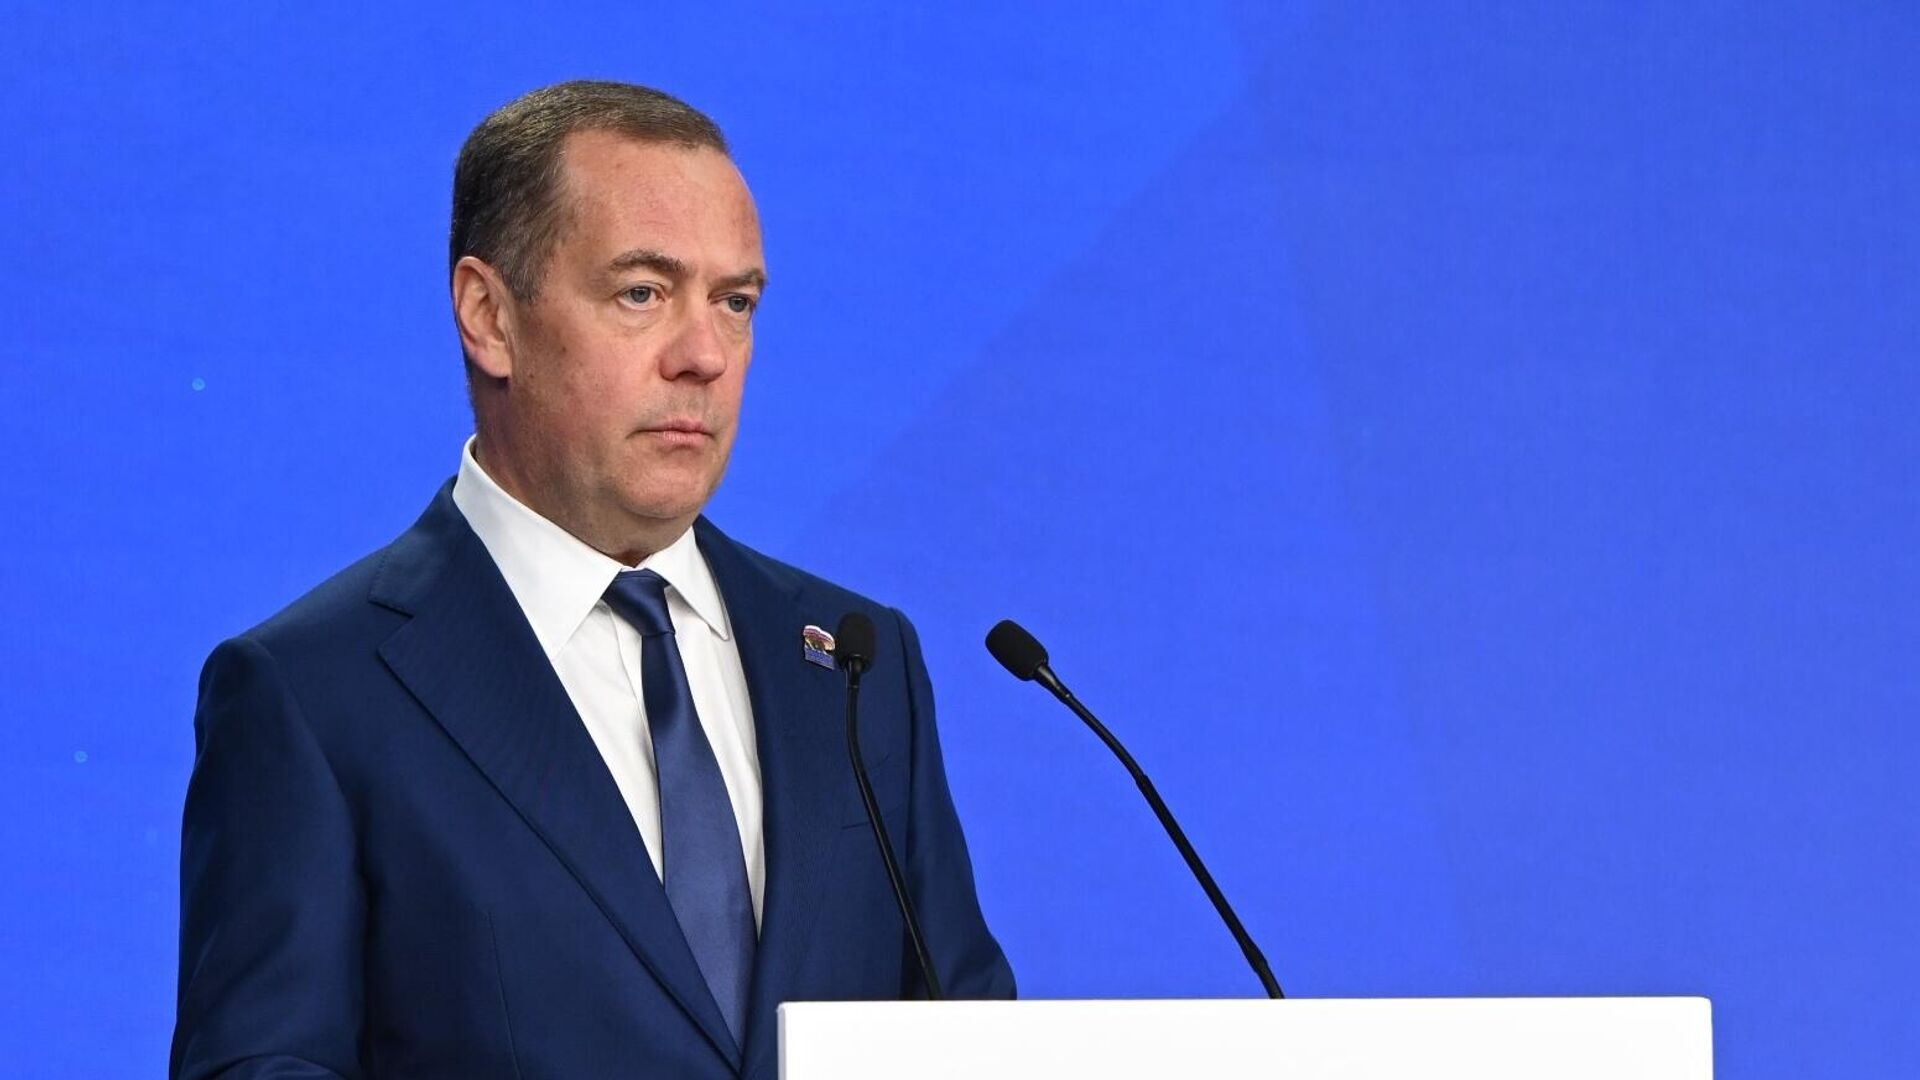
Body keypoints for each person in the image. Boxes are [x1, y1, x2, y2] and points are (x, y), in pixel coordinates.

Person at [170, 80, 1015, 1080]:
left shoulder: (856, 664)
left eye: (735, 302)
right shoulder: (314, 692)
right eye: (642, 293)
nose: (705, 356)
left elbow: (969, 1039)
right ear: (490, 317)